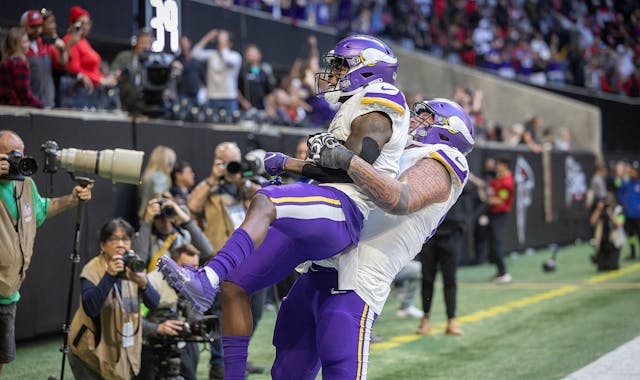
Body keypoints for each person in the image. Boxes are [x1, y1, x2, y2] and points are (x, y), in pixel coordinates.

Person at [159, 34, 409, 378]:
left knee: (266, 199)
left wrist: (289, 163)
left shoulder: (380, 104)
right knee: (234, 286)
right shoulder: (355, 104)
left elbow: (352, 167)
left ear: (365, 71)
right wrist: (288, 164)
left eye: (339, 65)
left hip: (345, 210)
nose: (332, 73)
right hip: (325, 205)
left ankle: (206, 278)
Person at [271, 98, 474, 378]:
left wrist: (347, 159)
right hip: (319, 268)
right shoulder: (395, 153)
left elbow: (401, 198)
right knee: (286, 370)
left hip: (358, 278)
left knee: (340, 367)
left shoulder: (447, 159)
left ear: (447, 129)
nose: (412, 119)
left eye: (424, 116)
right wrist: (287, 164)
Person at [0, 129, 92, 375]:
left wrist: (72, 198)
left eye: (19, 154)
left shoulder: (25, 184)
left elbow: (42, 209)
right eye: (9, 155)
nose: (16, 159)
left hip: (9, 293)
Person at [68, 218, 160, 380]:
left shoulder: (134, 266)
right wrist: (109, 275)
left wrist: (144, 284)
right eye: (113, 239)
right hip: (89, 352)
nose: (120, 244)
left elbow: (154, 303)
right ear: (103, 245)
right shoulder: (92, 269)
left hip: (121, 348)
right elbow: (91, 308)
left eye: (125, 239)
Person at [138, 244, 202, 380]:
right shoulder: (151, 283)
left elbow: (195, 316)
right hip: (148, 346)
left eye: (196, 266)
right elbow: (134, 320)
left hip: (179, 346)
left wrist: (194, 326)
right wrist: (158, 328)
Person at [415, 186, 469, 336]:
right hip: (430, 234)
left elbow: (470, 188)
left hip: (452, 234)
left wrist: (462, 225)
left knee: (450, 279)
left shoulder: (458, 173)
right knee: (427, 278)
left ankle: (451, 321)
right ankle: (425, 319)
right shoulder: (427, 172)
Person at [62, 6, 118, 107]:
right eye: (82, 23)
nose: (86, 26)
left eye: (87, 23)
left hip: (93, 91)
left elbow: (93, 68)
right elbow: (74, 69)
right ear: (73, 24)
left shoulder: (84, 41)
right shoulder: (70, 40)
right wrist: (100, 80)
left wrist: (105, 77)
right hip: (81, 91)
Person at [20, 9, 74, 108]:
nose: (37, 30)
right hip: (28, 103)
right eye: (33, 26)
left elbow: (62, 64)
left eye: (39, 26)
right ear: (23, 27)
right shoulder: (20, 47)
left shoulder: (45, 43)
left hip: (47, 102)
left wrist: (62, 50)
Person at [192, 29, 242, 115]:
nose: (220, 41)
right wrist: (207, 37)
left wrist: (223, 44)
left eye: (224, 39)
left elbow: (227, 59)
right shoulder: (212, 55)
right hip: (213, 97)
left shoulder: (235, 56)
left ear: (230, 43)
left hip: (229, 98)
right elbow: (195, 54)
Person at [111, 28, 153, 114]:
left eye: (148, 43)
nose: (145, 47)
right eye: (143, 43)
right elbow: (113, 73)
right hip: (125, 100)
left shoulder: (153, 62)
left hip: (146, 103)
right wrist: (117, 75)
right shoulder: (124, 57)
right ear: (136, 43)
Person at [486, 157, 515, 283]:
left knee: (497, 243)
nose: (496, 166)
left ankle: (503, 272)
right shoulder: (498, 177)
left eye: (498, 164)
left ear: (504, 165)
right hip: (492, 214)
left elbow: (500, 200)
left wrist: (487, 199)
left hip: (500, 215)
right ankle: (500, 272)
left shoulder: (507, 182)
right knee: (493, 243)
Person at [0, 28, 43, 108]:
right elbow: (24, 93)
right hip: (16, 110)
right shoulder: (19, 64)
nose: (29, 44)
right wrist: (39, 106)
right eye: (25, 42)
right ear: (16, 45)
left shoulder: (6, 62)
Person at [138, 145, 176, 220]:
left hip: (145, 215)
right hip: (156, 218)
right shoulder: (159, 177)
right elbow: (159, 197)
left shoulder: (147, 176)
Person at [590, 191, 625, 271]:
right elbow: (592, 221)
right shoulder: (601, 210)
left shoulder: (619, 209)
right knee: (601, 268)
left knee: (613, 267)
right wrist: (598, 210)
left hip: (614, 242)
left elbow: (619, 224)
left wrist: (611, 214)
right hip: (602, 242)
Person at [238, 44, 276, 111]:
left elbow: (270, 92)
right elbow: (236, 89)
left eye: (252, 52)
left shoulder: (264, 72)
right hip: (245, 109)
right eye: (248, 52)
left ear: (259, 55)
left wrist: (271, 108)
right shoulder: (242, 71)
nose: (249, 54)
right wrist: (243, 101)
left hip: (261, 109)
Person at [618, 162, 640, 260]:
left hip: (638, 215)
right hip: (629, 214)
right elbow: (620, 195)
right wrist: (624, 204)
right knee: (630, 235)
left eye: (633, 171)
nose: (631, 173)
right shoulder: (626, 184)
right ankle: (632, 253)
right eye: (630, 171)